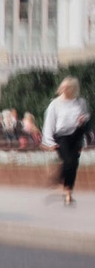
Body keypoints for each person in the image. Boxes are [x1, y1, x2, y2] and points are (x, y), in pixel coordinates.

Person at [42, 76, 89, 207]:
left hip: (77, 134)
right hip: (61, 136)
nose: (63, 89)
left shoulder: (80, 102)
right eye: (63, 87)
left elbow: (86, 117)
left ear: (73, 89)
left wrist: (82, 120)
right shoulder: (55, 104)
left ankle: (68, 193)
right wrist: (49, 141)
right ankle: (59, 180)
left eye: (67, 87)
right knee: (69, 161)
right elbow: (49, 122)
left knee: (73, 164)